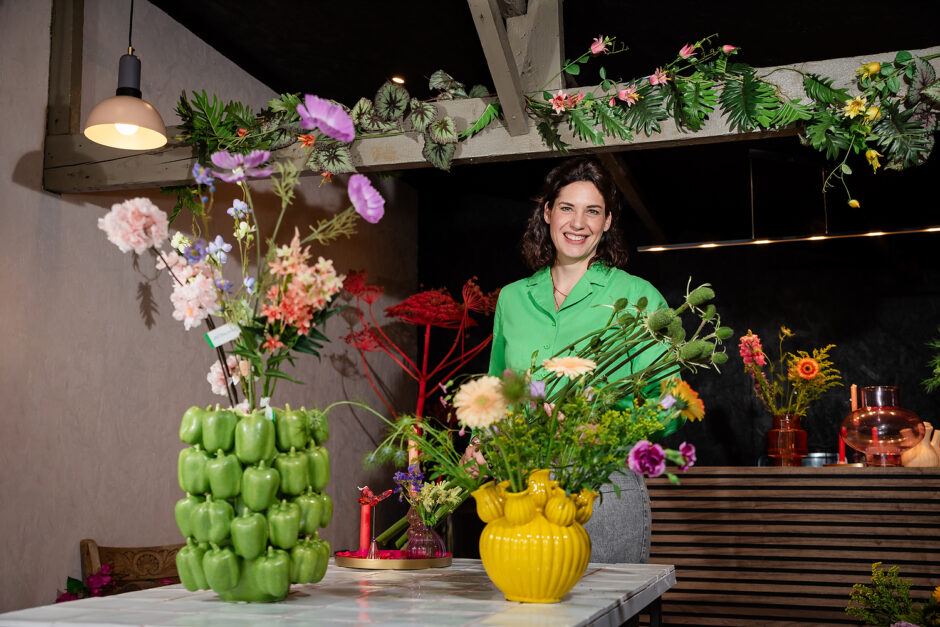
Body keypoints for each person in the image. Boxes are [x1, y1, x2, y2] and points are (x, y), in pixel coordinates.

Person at [487, 156, 666, 565]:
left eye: (593, 211)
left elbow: (667, 401)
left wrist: (601, 429)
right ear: (548, 212)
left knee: (604, 611)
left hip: (602, 480)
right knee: (524, 609)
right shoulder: (512, 298)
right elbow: (497, 390)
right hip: (522, 484)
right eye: (567, 207)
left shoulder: (639, 297)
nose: (578, 222)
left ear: (607, 223)